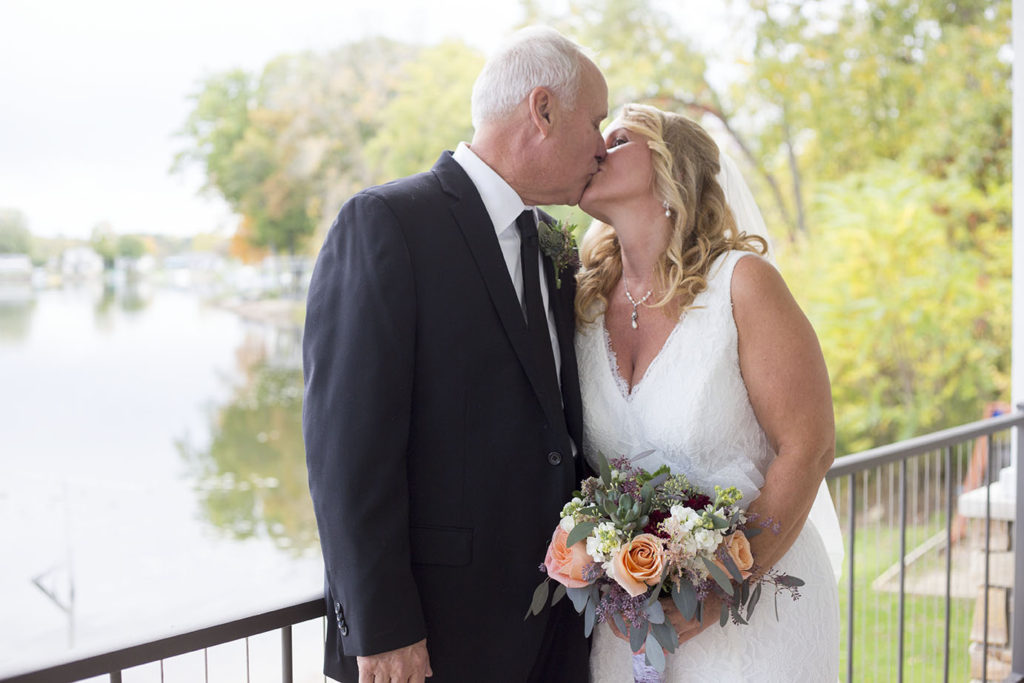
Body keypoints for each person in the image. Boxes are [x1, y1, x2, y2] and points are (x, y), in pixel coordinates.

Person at [302, 27, 608, 683]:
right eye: (597, 122)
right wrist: (383, 627)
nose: (603, 146)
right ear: (543, 110)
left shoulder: (555, 247)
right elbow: (347, 450)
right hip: (435, 640)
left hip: (557, 626)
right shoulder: (387, 223)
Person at [575, 103, 841, 681]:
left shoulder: (741, 284)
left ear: (669, 171)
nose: (597, 148)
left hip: (756, 613)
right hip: (632, 621)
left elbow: (810, 445)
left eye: (618, 139)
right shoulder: (583, 301)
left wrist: (722, 587)